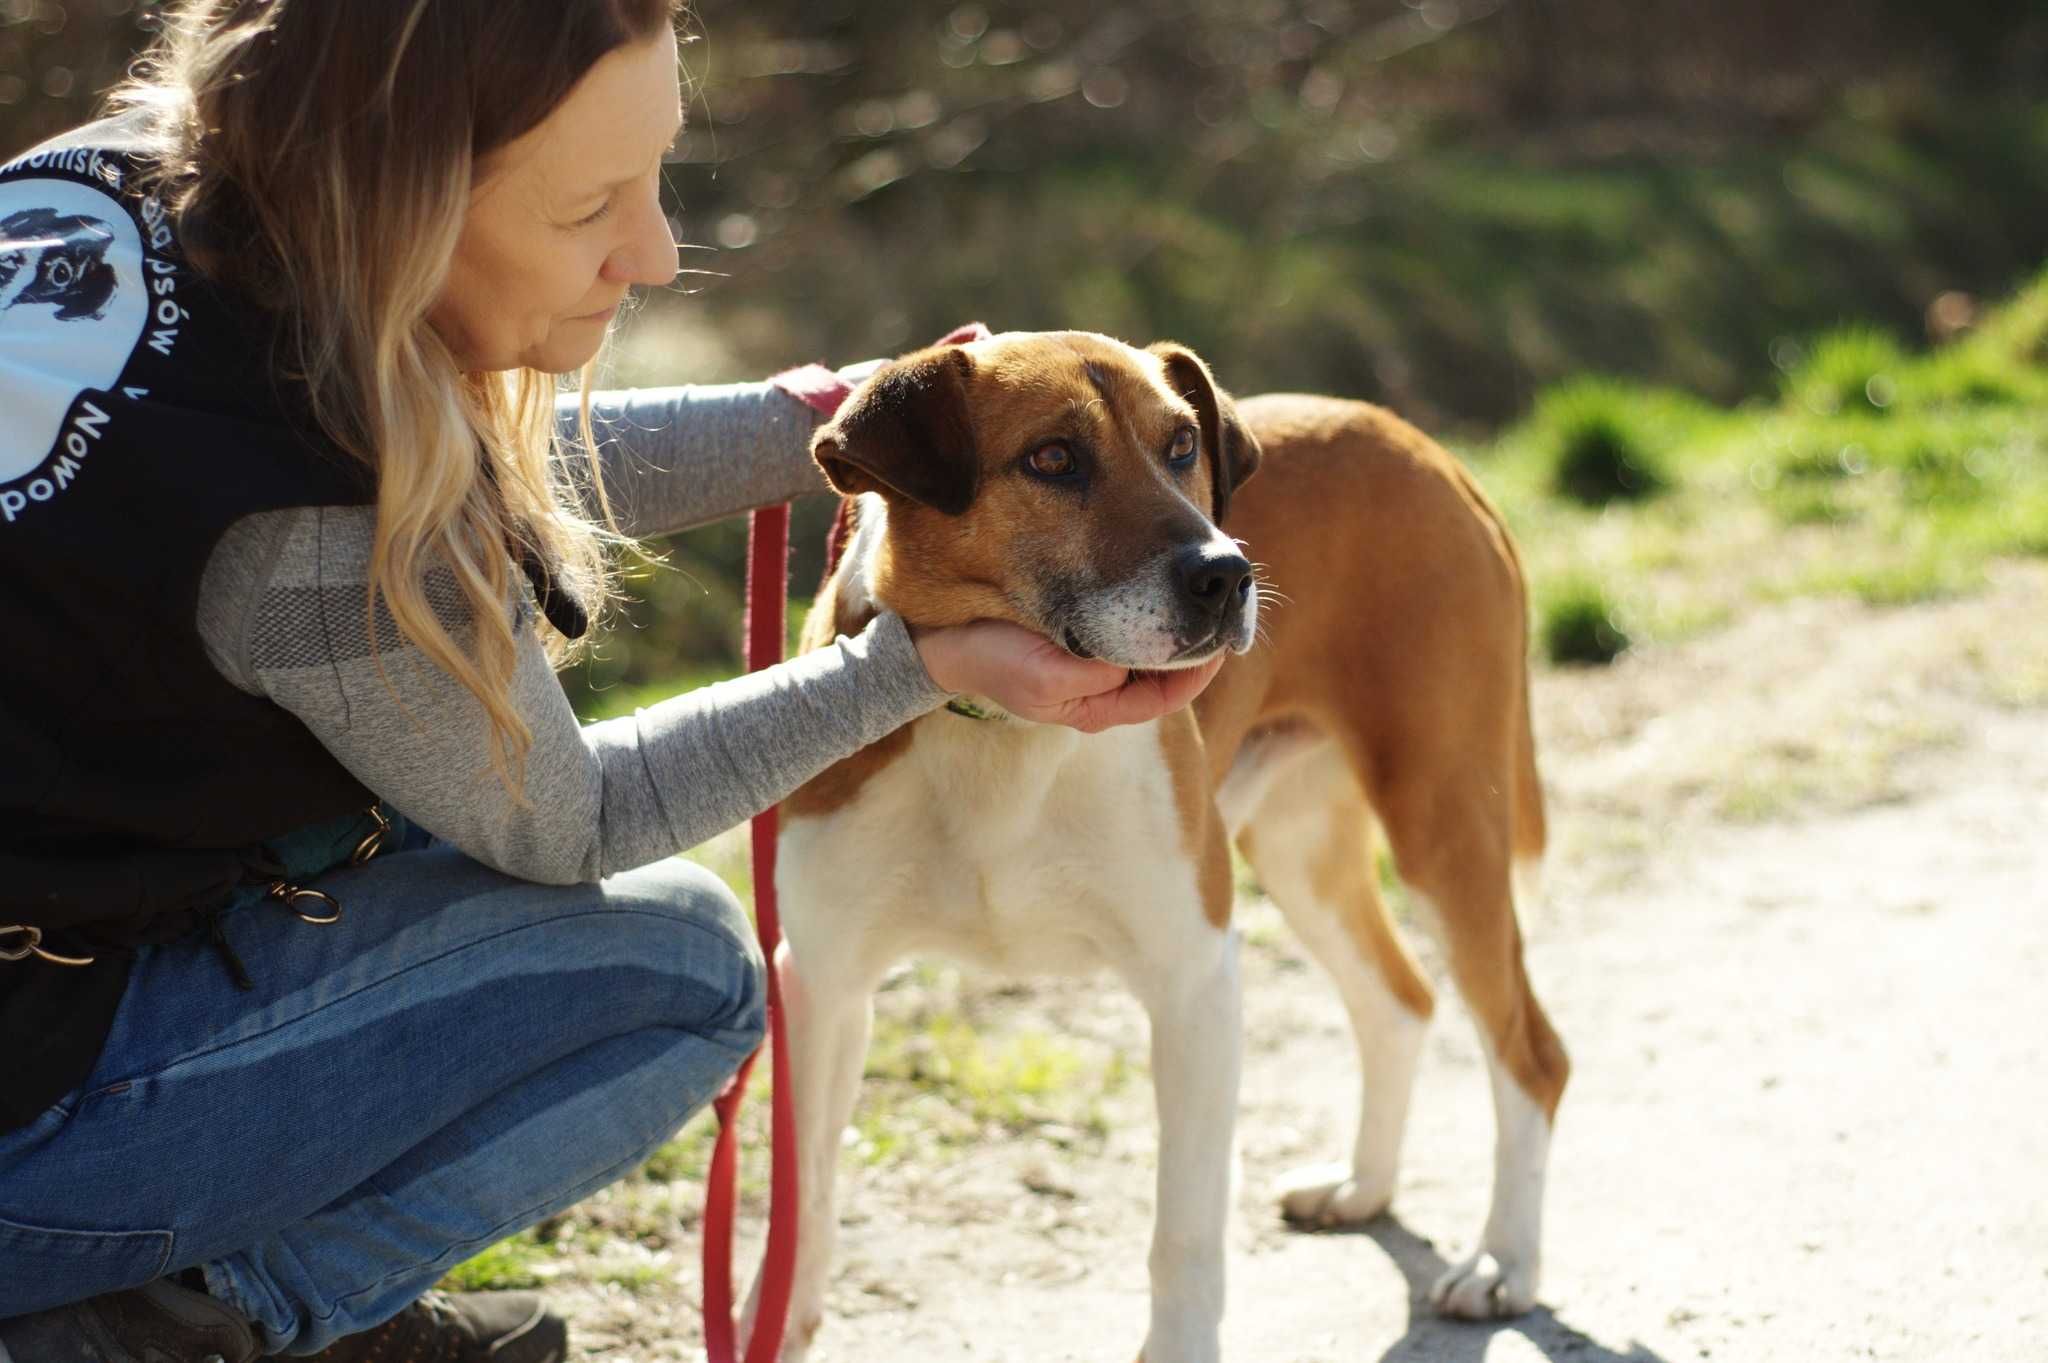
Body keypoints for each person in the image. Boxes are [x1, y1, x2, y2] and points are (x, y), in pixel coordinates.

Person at [0, 4, 1224, 1362]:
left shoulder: (121, 187)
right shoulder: (296, 535)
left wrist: (829, 425)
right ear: (403, 203)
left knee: (402, 777)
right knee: (684, 969)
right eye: (591, 206)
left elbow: (451, 484)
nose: (652, 252)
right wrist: (909, 667)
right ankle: (185, 1323)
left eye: (661, 176)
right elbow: (570, 817)